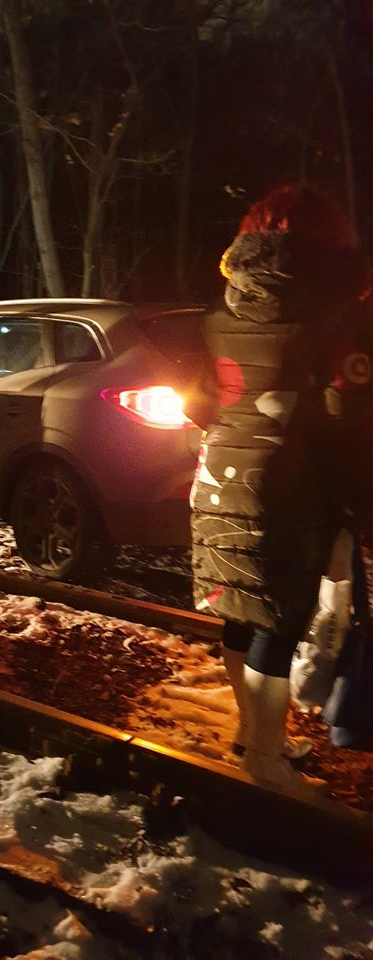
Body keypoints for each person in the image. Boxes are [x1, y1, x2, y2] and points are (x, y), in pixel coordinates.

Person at [188, 184, 372, 800]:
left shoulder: (222, 312)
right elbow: (347, 419)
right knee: (281, 621)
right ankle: (266, 759)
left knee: (241, 612)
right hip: (292, 491)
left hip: (218, 478)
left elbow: (196, 401)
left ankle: (251, 734)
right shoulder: (338, 320)